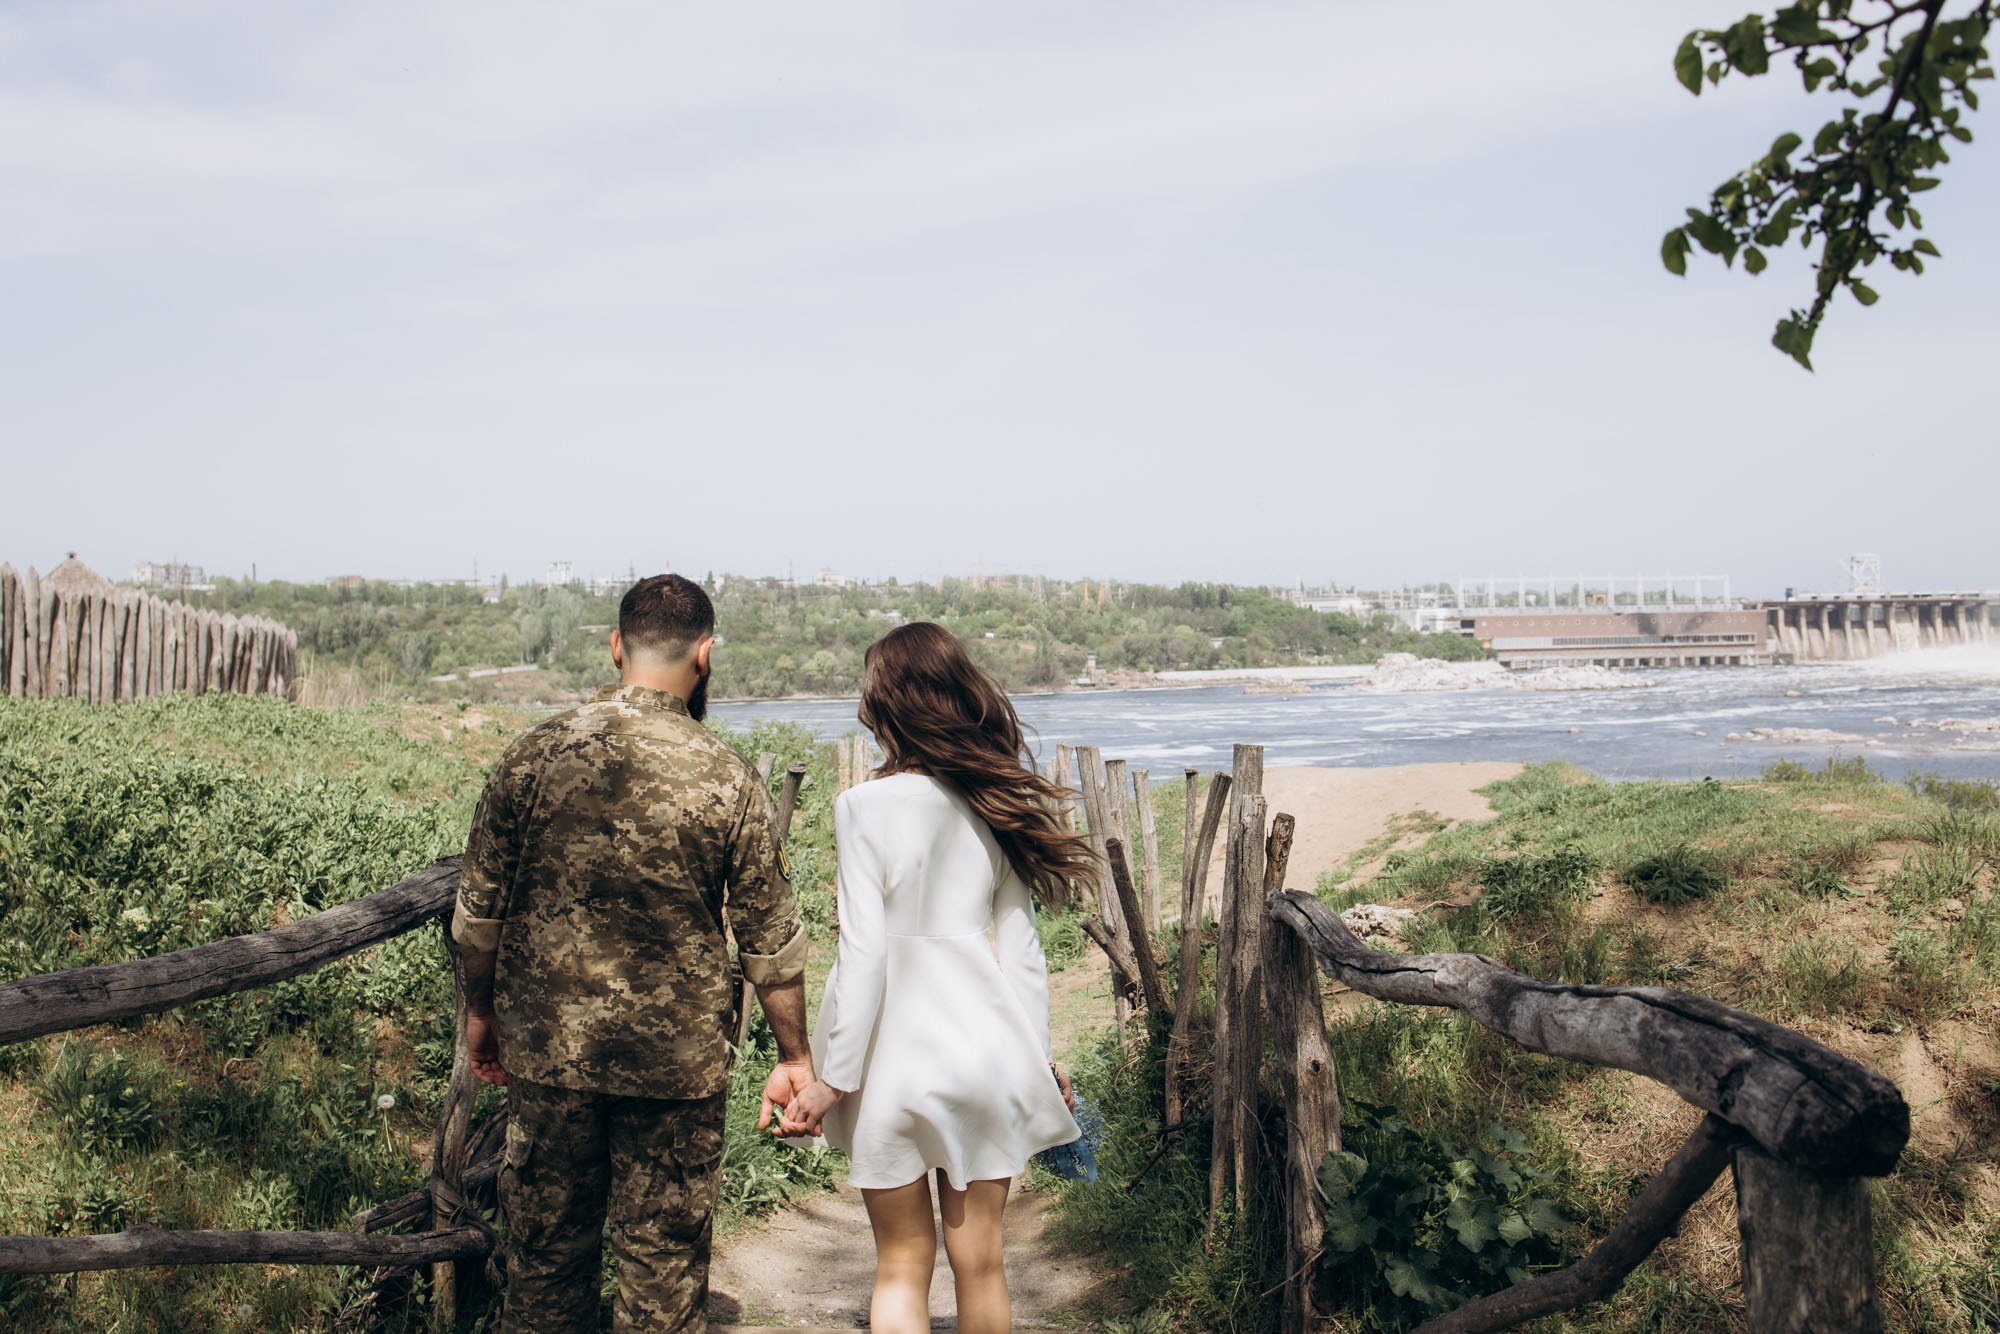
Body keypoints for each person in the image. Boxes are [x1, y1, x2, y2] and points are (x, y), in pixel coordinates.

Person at [453, 573, 816, 1333]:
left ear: (617, 647)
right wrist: (795, 1057)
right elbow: (771, 945)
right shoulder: (729, 777)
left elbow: (477, 919)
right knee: (663, 1279)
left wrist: (479, 1012)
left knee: (546, 1267)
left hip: (551, 1058)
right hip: (675, 1070)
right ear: (705, 654)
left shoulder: (531, 758)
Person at [778, 621, 1093, 1334]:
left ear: (885, 705)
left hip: (890, 1065)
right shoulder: (996, 802)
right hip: (984, 1052)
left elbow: (865, 954)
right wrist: (1035, 1060)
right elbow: (1022, 952)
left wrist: (835, 1077)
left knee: (900, 1264)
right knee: (981, 1261)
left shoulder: (861, 807)